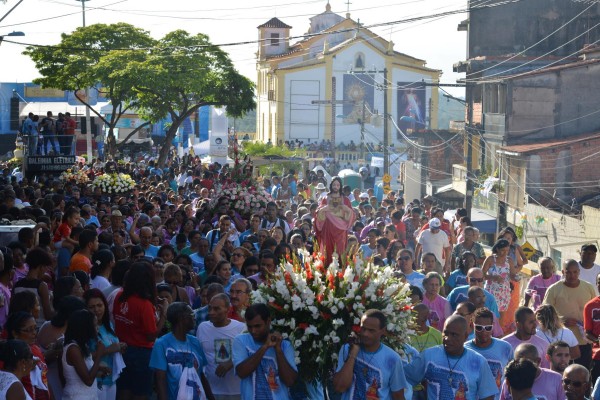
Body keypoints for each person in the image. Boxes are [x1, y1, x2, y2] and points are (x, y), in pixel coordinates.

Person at [406, 315, 499, 400]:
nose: (447, 338)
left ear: (465, 336)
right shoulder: (428, 356)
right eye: (445, 333)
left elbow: (488, 396)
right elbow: (405, 379)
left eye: (454, 335)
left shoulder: (479, 362)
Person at [113, 262, 168, 400]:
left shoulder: (119, 297)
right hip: (141, 354)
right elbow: (151, 336)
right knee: (141, 393)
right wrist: (164, 314)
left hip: (122, 349)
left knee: (123, 389)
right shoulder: (144, 305)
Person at [333, 309, 408, 400]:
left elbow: (398, 396)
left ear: (383, 330)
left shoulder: (393, 359)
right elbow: (340, 387)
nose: (365, 334)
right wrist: (353, 355)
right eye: (363, 328)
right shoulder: (347, 349)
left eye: (371, 331)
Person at [232, 303, 298, 400]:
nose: (253, 331)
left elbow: (289, 381)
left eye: (257, 326)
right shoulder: (240, 341)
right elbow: (242, 372)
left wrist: (278, 350)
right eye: (249, 326)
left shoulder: (285, 346)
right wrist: (265, 347)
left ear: (268, 321)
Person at [150, 302, 213, 400]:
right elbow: (160, 380)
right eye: (192, 315)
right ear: (181, 318)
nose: (195, 317)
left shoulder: (195, 341)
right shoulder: (162, 344)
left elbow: (201, 375)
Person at [544, 259, 596, 368]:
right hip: (562, 342)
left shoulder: (588, 287)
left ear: (579, 272)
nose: (572, 275)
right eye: (568, 272)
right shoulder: (553, 290)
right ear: (563, 272)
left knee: (582, 373)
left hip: (584, 341)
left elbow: (595, 311)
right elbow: (544, 315)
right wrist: (561, 322)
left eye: (575, 272)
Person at [196, 293, 245, 400]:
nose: (211, 312)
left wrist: (232, 362)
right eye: (210, 308)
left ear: (228, 309)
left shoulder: (241, 328)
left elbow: (250, 354)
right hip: (210, 391)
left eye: (217, 309)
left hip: (236, 391)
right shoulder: (202, 327)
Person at [84, 289, 127, 400]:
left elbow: (113, 346)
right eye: (91, 307)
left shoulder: (108, 326)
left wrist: (119, 348)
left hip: (111, 380)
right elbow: (82, 357)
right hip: (96, 382)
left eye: (99, 305)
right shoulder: (85, 331)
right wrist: (109, 350)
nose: (97, 310)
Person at [465, 307, 514, 400]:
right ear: (472, 325)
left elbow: (513, 378)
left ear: (493, 326)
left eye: (488, 328)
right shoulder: (465, 349)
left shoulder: (505, 348)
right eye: (479, 327)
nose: (484, 331)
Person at [62, 309, 111, 400]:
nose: (97, 328)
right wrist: (100, 354)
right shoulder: (73, 349)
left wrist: (99, 368)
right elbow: (88, 381)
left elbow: (81, 369)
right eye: (95, 325)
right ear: (86, 327)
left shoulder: (82, 345)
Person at [498, 343, 564, 400]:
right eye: (517, 362)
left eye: (527, 364)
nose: (521, 367)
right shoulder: (511, 378)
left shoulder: (556, 378)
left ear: (538, 361)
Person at [315, 190, 355, 265]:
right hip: (328, 229)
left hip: (341, 230)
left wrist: (346, 209)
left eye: (337, 184)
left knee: (341, 253)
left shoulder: (345, 200)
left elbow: (350, 215)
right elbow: (319, 216)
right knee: (328, 252)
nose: (336, 187)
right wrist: (324, 209)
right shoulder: (325, 199)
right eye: (334, 184)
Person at [482, 239, 518, 321]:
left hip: (504, 293)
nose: (505, 253)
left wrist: (515, 277)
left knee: (501, 318)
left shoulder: (509, 260)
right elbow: (482, 275)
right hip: (491, 291)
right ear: (497, 249)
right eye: (503, 250)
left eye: (507, 250)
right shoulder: (490, 259)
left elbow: (512, 275)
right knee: (488, 316)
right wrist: (492, 277)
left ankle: (499, 333)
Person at [585, 272, 600, 383]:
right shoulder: (590, 306)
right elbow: (587, 332)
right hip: (597, 357)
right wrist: (598, 340)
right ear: (596, 284)